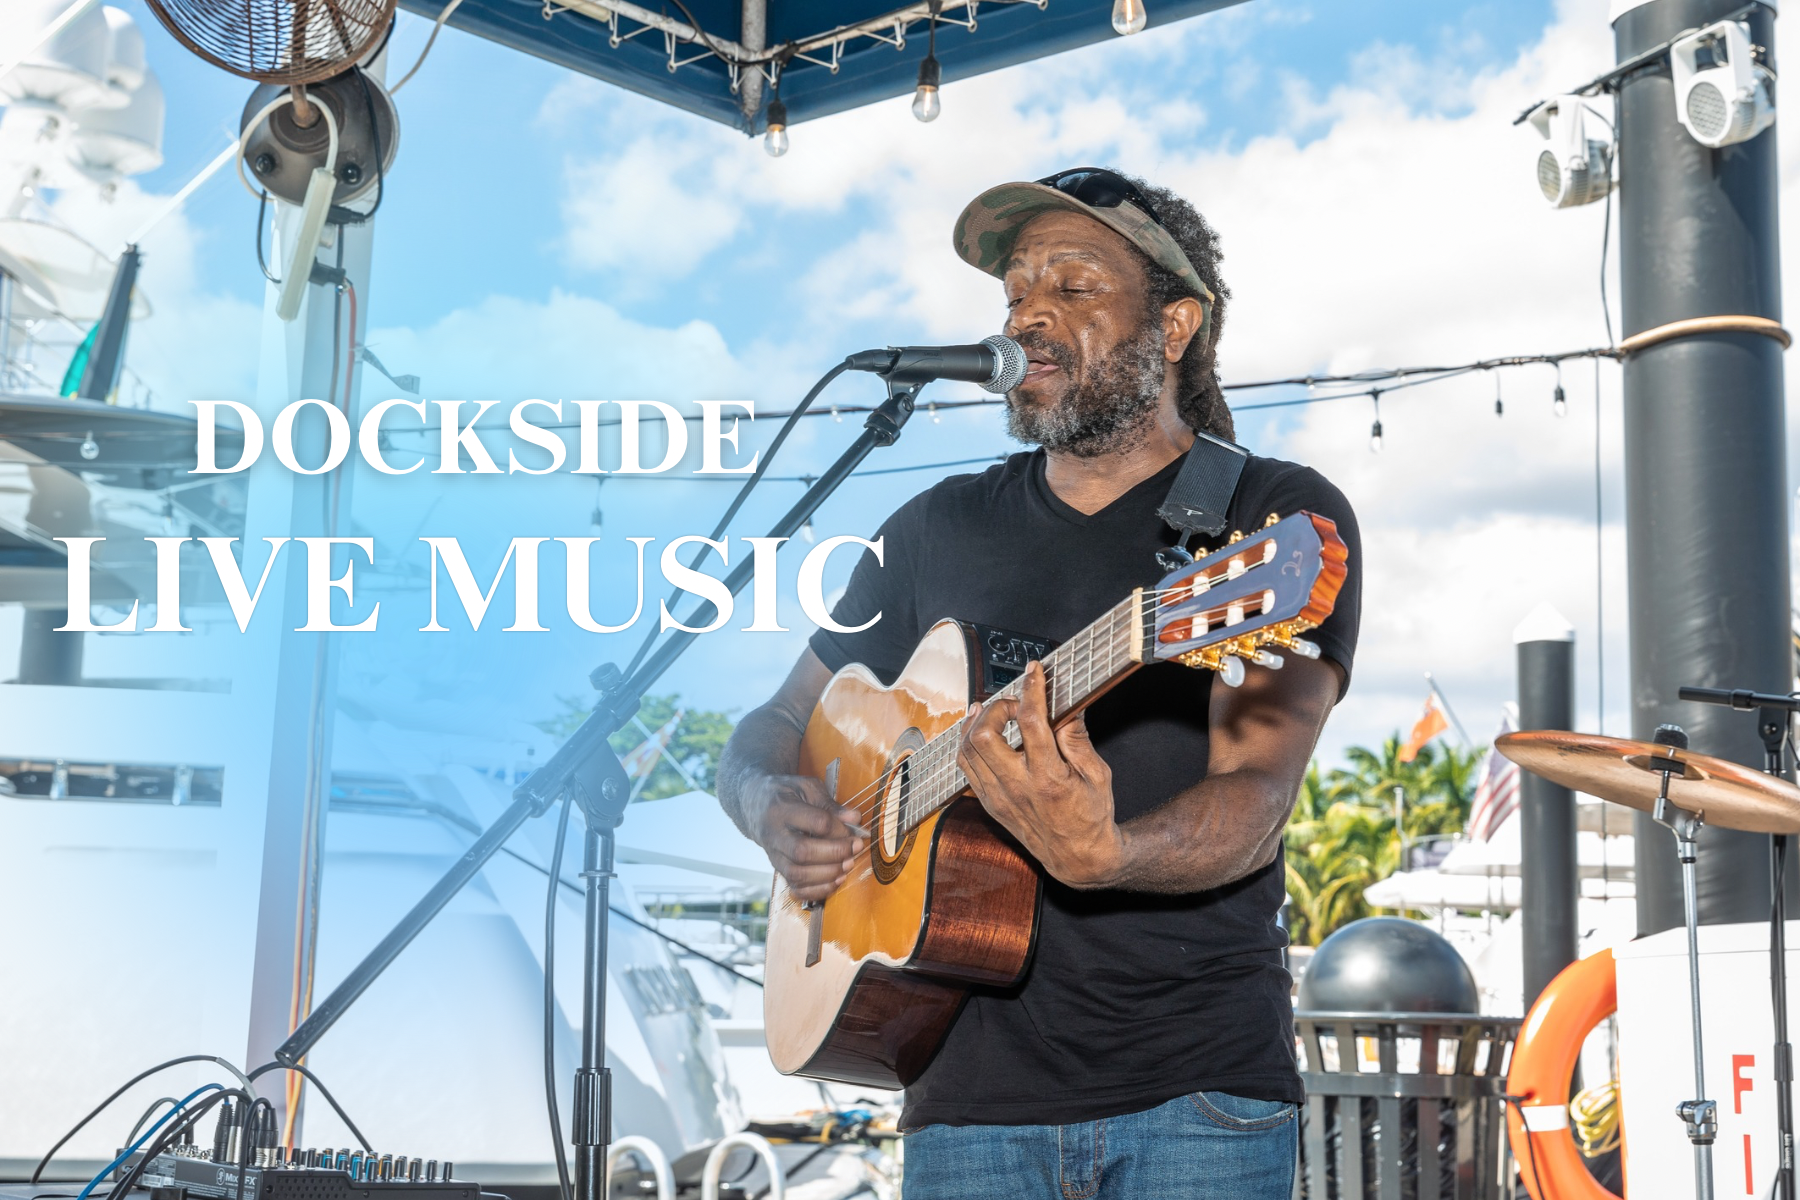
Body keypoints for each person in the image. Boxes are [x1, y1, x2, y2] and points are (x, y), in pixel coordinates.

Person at [717, 167, 1362, 1199]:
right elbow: (774, 721)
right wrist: (766, 804)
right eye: (1018, 291)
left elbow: (1256, 798)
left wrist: (1109, 855)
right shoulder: (934, 526)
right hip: (961, 1101)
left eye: (1073, 282)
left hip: (1192, 1098)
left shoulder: (1265, 521)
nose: (1031, 314)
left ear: (1177, 323)